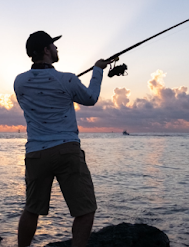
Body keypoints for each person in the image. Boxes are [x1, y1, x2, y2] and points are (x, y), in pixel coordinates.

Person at [14, 31, 114, 247]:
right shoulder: (67, 79)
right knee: (85, 210)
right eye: (53, 46)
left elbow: (41, 92)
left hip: (36, 154)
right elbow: (90, 98)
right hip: (67, 151)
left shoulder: (19, 82)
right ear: (46, 50)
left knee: (31, 209)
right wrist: (97, 70)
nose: (57, 49)